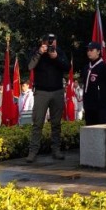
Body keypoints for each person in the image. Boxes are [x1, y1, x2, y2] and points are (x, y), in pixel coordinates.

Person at [27, 33, 70, 162]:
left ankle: (56, 150)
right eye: (49, 42)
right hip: (41, 92)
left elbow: (67, 67)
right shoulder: (36, 51)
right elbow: (30, 66)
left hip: (57, 91)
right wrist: (40, 53)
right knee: (38, 123)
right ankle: (33, 151)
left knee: (56, 124)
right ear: (43, 42)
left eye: (53, 41)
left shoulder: (60, 52)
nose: (51, 44)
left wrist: (56, 57)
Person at [82, 42, 106, 125]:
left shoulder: (104, 67)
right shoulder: (86, 67)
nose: (89, 52)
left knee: (102, 128)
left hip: (101, 105)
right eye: (88, 50)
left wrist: (104, 98)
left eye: (91, 50)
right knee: (90, 128)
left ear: (98, 51)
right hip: (88, 105)